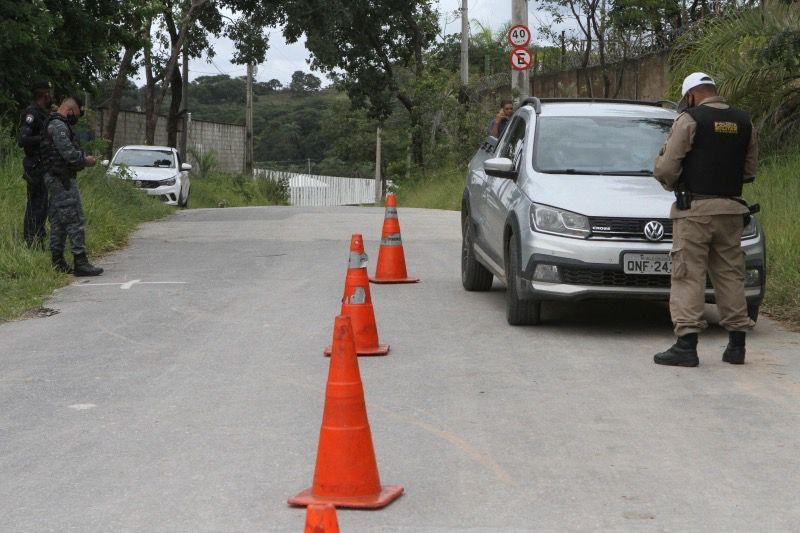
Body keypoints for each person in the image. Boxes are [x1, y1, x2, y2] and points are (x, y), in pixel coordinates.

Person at [652, 72, 758, 367]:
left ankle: (686, 346)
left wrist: (671, 180)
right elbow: (749, 171)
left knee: (688, 274)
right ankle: (736, 346)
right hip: (732, 211)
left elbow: (666, 168)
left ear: (691, 96)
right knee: (730, 275)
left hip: (695, 212)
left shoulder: (689, 119)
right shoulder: (744, 121)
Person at [42, 96, 103, 276]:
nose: (76, 118)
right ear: (69, 110)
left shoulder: (54, 123)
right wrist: (86, 160)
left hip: (56, 177)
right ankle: (80, 262)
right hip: (62, 179)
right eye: (76, 113)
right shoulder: (59, 126)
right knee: (74, 218)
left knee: (59, 220)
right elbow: (69, 154)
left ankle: (58, 261)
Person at [17, 81, 53, 247]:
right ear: (45, 94)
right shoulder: (32, 113)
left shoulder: (42, 113)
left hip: (42, 164)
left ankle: (38, 238)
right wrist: (45, 138)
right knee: (36, 204)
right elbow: (23, 140)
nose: (51, 96)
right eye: (50, 93)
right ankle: (31, 240)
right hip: (34, 165)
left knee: (42, 204)